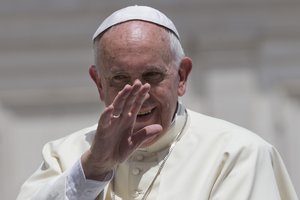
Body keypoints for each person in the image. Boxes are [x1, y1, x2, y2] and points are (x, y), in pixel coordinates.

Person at [17, 5, 298, 200]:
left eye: (152, 75)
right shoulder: (64, 155)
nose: (138, 91)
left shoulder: (239, 154)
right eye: (119, 78)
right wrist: (93, 168)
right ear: (99, 83)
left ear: (182, 76)